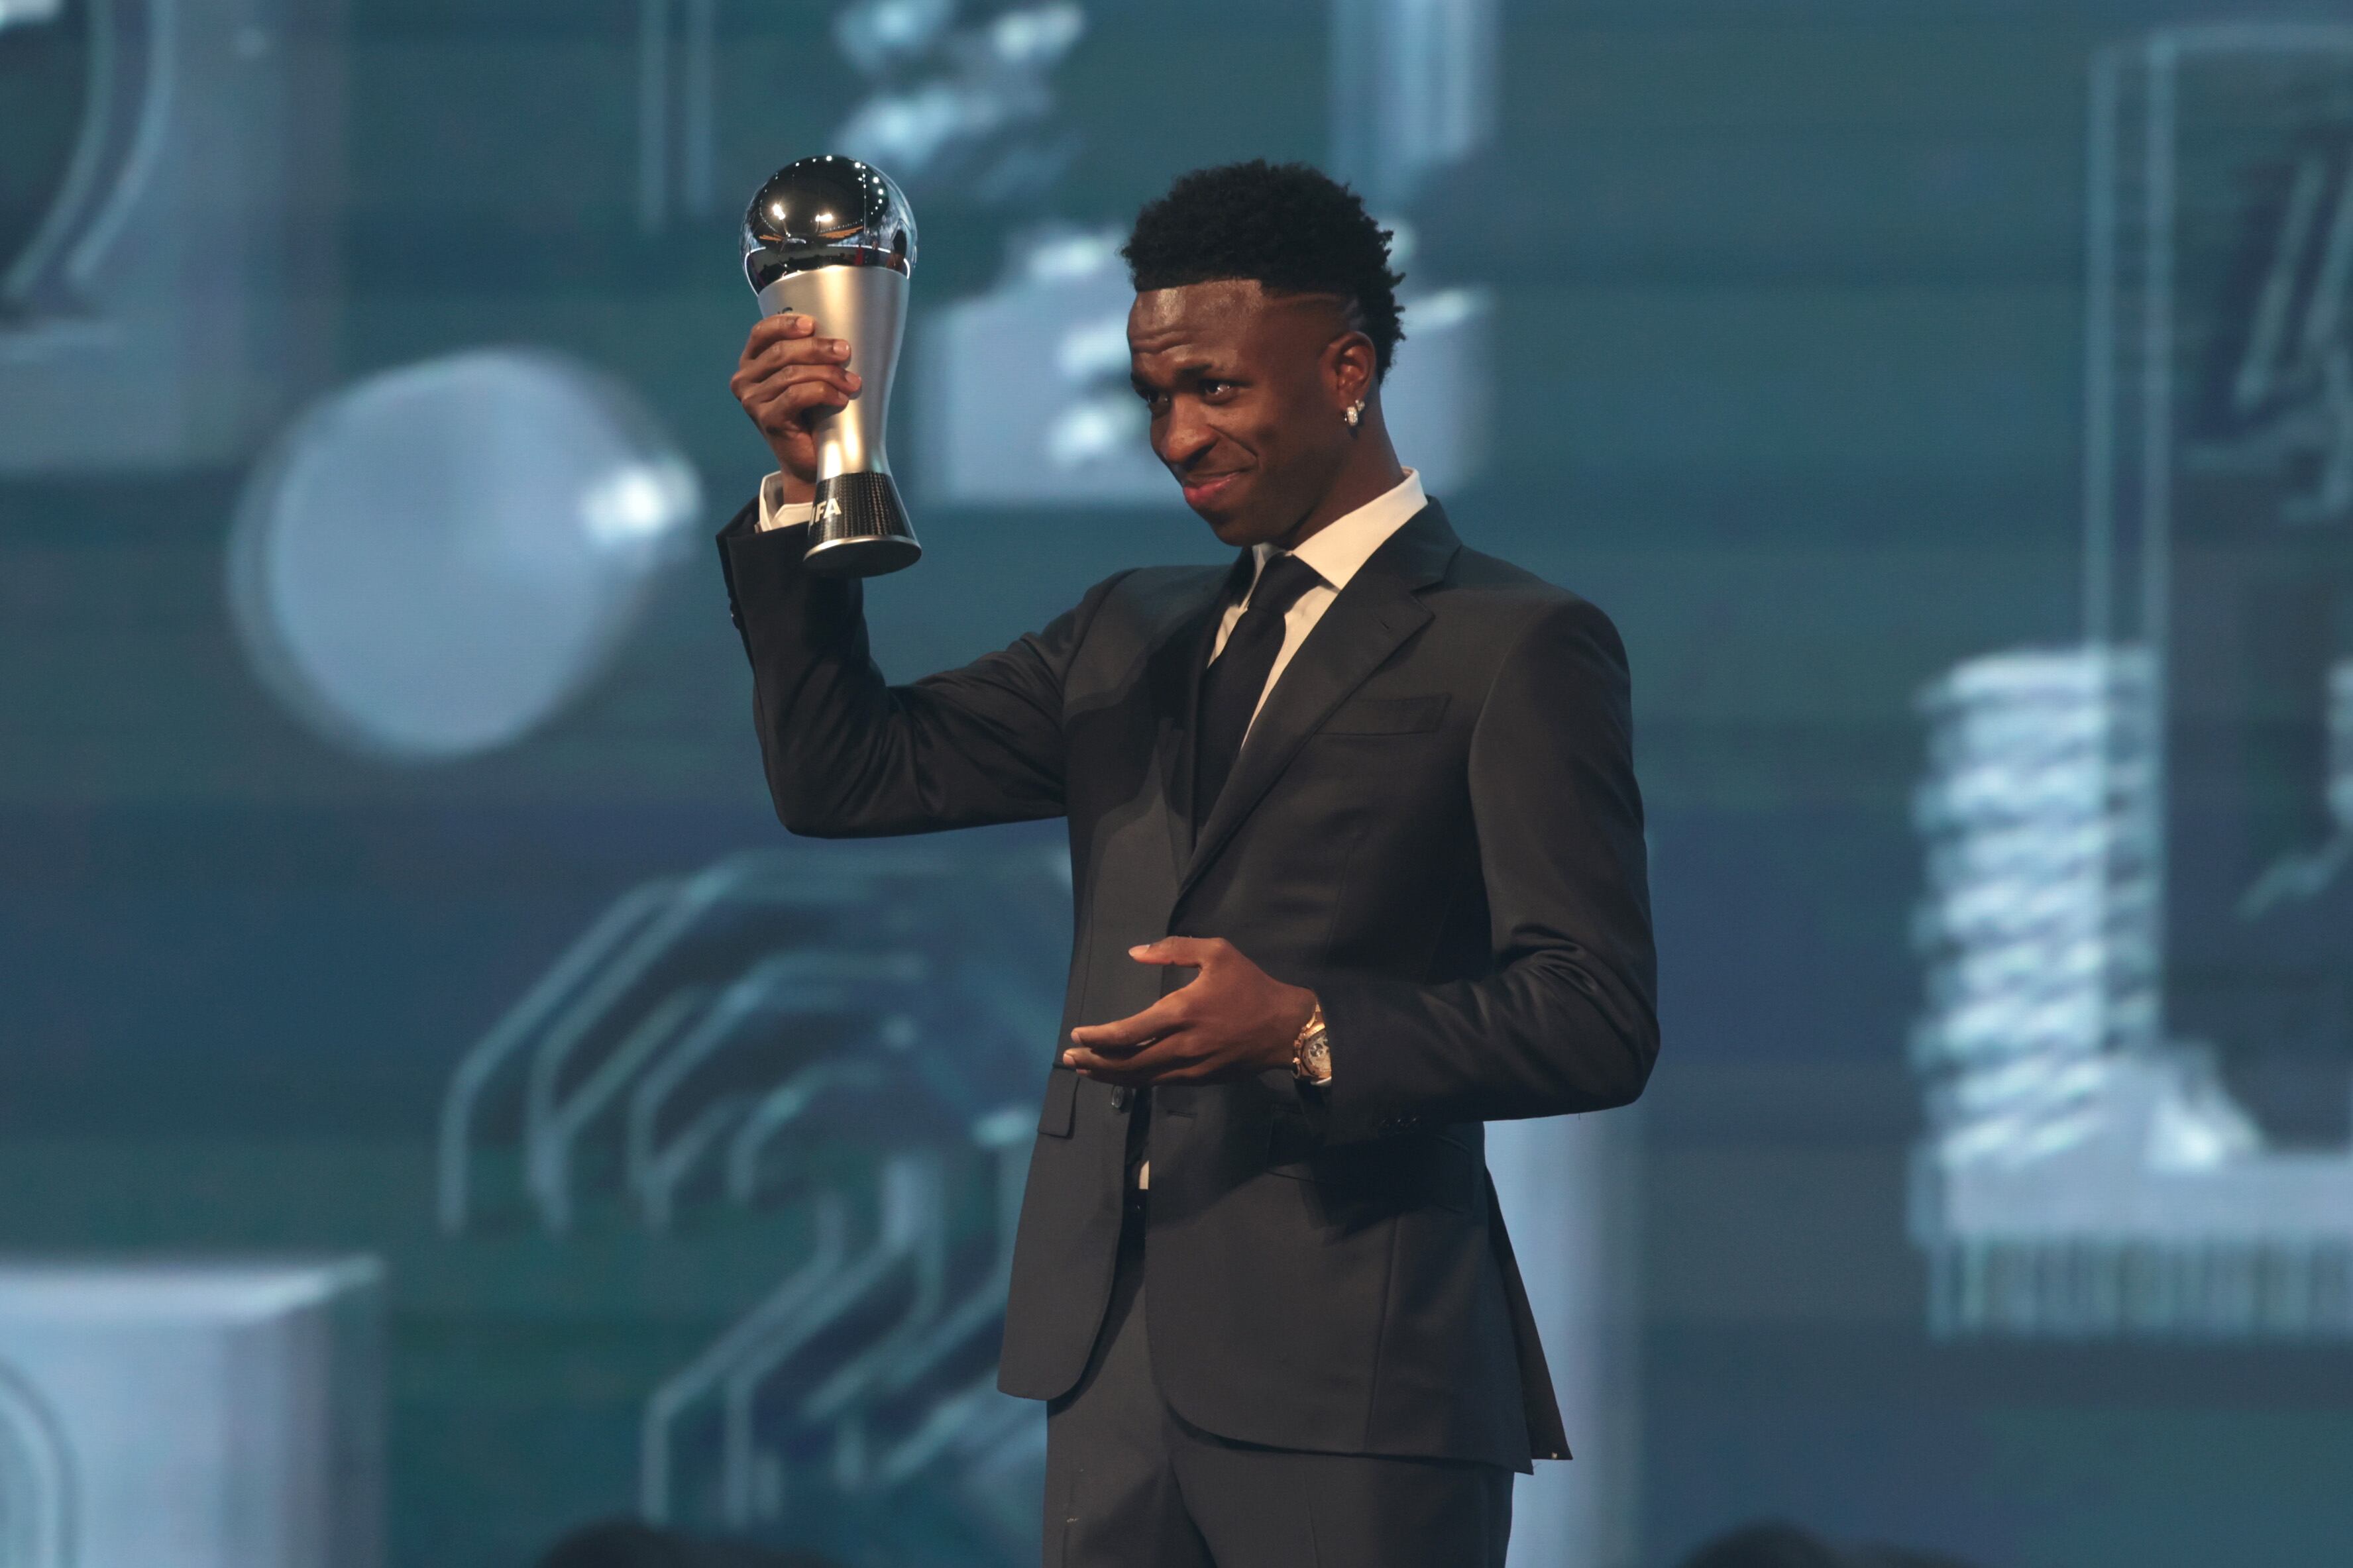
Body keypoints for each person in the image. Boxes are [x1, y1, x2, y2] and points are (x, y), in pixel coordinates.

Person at [718, 160, 1658, 1568]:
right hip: (1108, 1359)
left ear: (1347, 367)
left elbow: (1594, 1012)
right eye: (1153, 397)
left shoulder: (1514, 644)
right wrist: (810, 500)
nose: (1175, 435)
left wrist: (1307, 1028)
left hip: (1360, 1377)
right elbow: (849, 776)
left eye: (1214, 388)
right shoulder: (1128, 630)